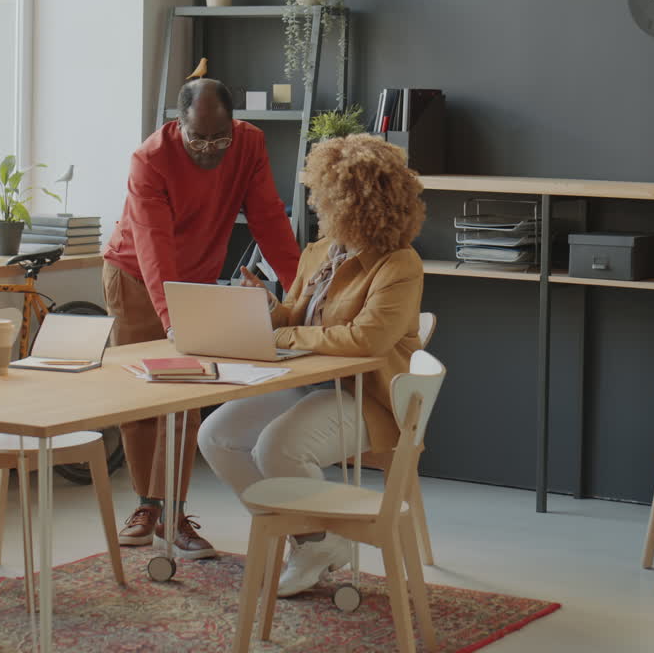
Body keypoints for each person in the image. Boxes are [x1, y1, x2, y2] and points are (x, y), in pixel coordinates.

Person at [198, 134, 426, 597]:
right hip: (308, 382)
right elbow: (295, 314)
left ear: (354, 204)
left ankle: (315, 542)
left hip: (368, 397)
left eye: (325, 199)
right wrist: (264, 306)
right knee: (216, 436)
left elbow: (367, 340)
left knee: (275, 449)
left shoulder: (399, 265)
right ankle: (313, 539)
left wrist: (281, 333)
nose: (319, 208)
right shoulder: (320, 253)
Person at [103, 78, 301, 559]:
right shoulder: (149, 159)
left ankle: (174, 514)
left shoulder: (249, 144)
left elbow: (269, 218)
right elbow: (153, 246)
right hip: (134, 275)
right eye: (199, 139)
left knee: (189, 395)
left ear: (233, 125)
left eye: (220, 138)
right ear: (178, 123)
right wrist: (174, 321)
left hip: (194, 278)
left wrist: (301, 289)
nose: (210, 150)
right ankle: (146, 506)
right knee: (144, 393)